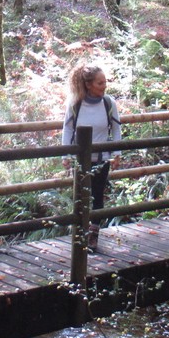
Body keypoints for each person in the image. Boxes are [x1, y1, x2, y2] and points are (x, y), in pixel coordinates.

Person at [61, 65, 122, 251]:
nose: (104, 86)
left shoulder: (109, 103)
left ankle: (93, 235)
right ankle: (80, 233)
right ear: (88, 85)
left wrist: (117, 153)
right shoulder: (75, 104)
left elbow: (116, 128)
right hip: (81, 160)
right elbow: (68, 129)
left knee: (97, 196)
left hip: (102, 159)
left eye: (105, 82)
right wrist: (65, 154)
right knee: (81, 196)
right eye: (100, 83)